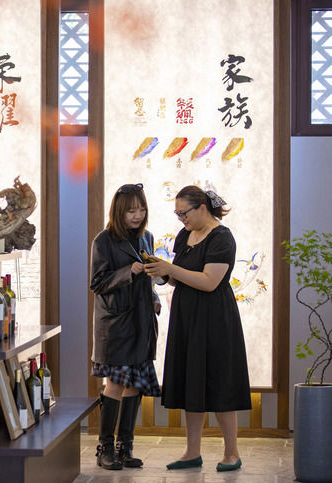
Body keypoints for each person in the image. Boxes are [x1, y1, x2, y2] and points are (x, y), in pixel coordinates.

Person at [144, 185, 251, 473]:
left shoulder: (222, 237)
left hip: (215, 318)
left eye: (184, 213)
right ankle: (192, 451)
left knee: (221, 380)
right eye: (177, 214)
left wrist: (171, 269)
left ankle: (232, 453)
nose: (181, 219)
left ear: (202, 208)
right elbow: (179, 278)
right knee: (191, 381)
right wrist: (160, 271)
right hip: (186, 316)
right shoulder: (185, 235)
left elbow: (209, 282)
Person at [90, 183, 162, 471]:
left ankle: (125, 448)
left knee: (136, 384)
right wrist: (127, 272)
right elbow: (97, 283)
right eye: (131, 210)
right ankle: (105, 449)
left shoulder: (147, 237)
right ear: (118, 211)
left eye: (141, 209)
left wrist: (155, 299)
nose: (137, 215)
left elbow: (150, 278)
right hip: (116, 326)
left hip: (142, 323)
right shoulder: (103, 240)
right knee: (116, 383)